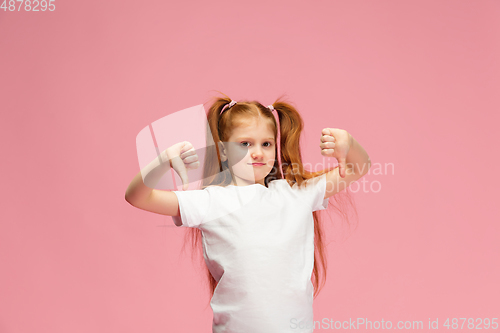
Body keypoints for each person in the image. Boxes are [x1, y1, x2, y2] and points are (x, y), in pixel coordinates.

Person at [125, 93, 371, 333]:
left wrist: (349, 143)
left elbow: (358, 167)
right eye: (245, 144)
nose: (258, 152)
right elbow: (137, 196)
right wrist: (162, 161)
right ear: (222, 151)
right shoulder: (212, 201)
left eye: (266, 144)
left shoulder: (297, 193)